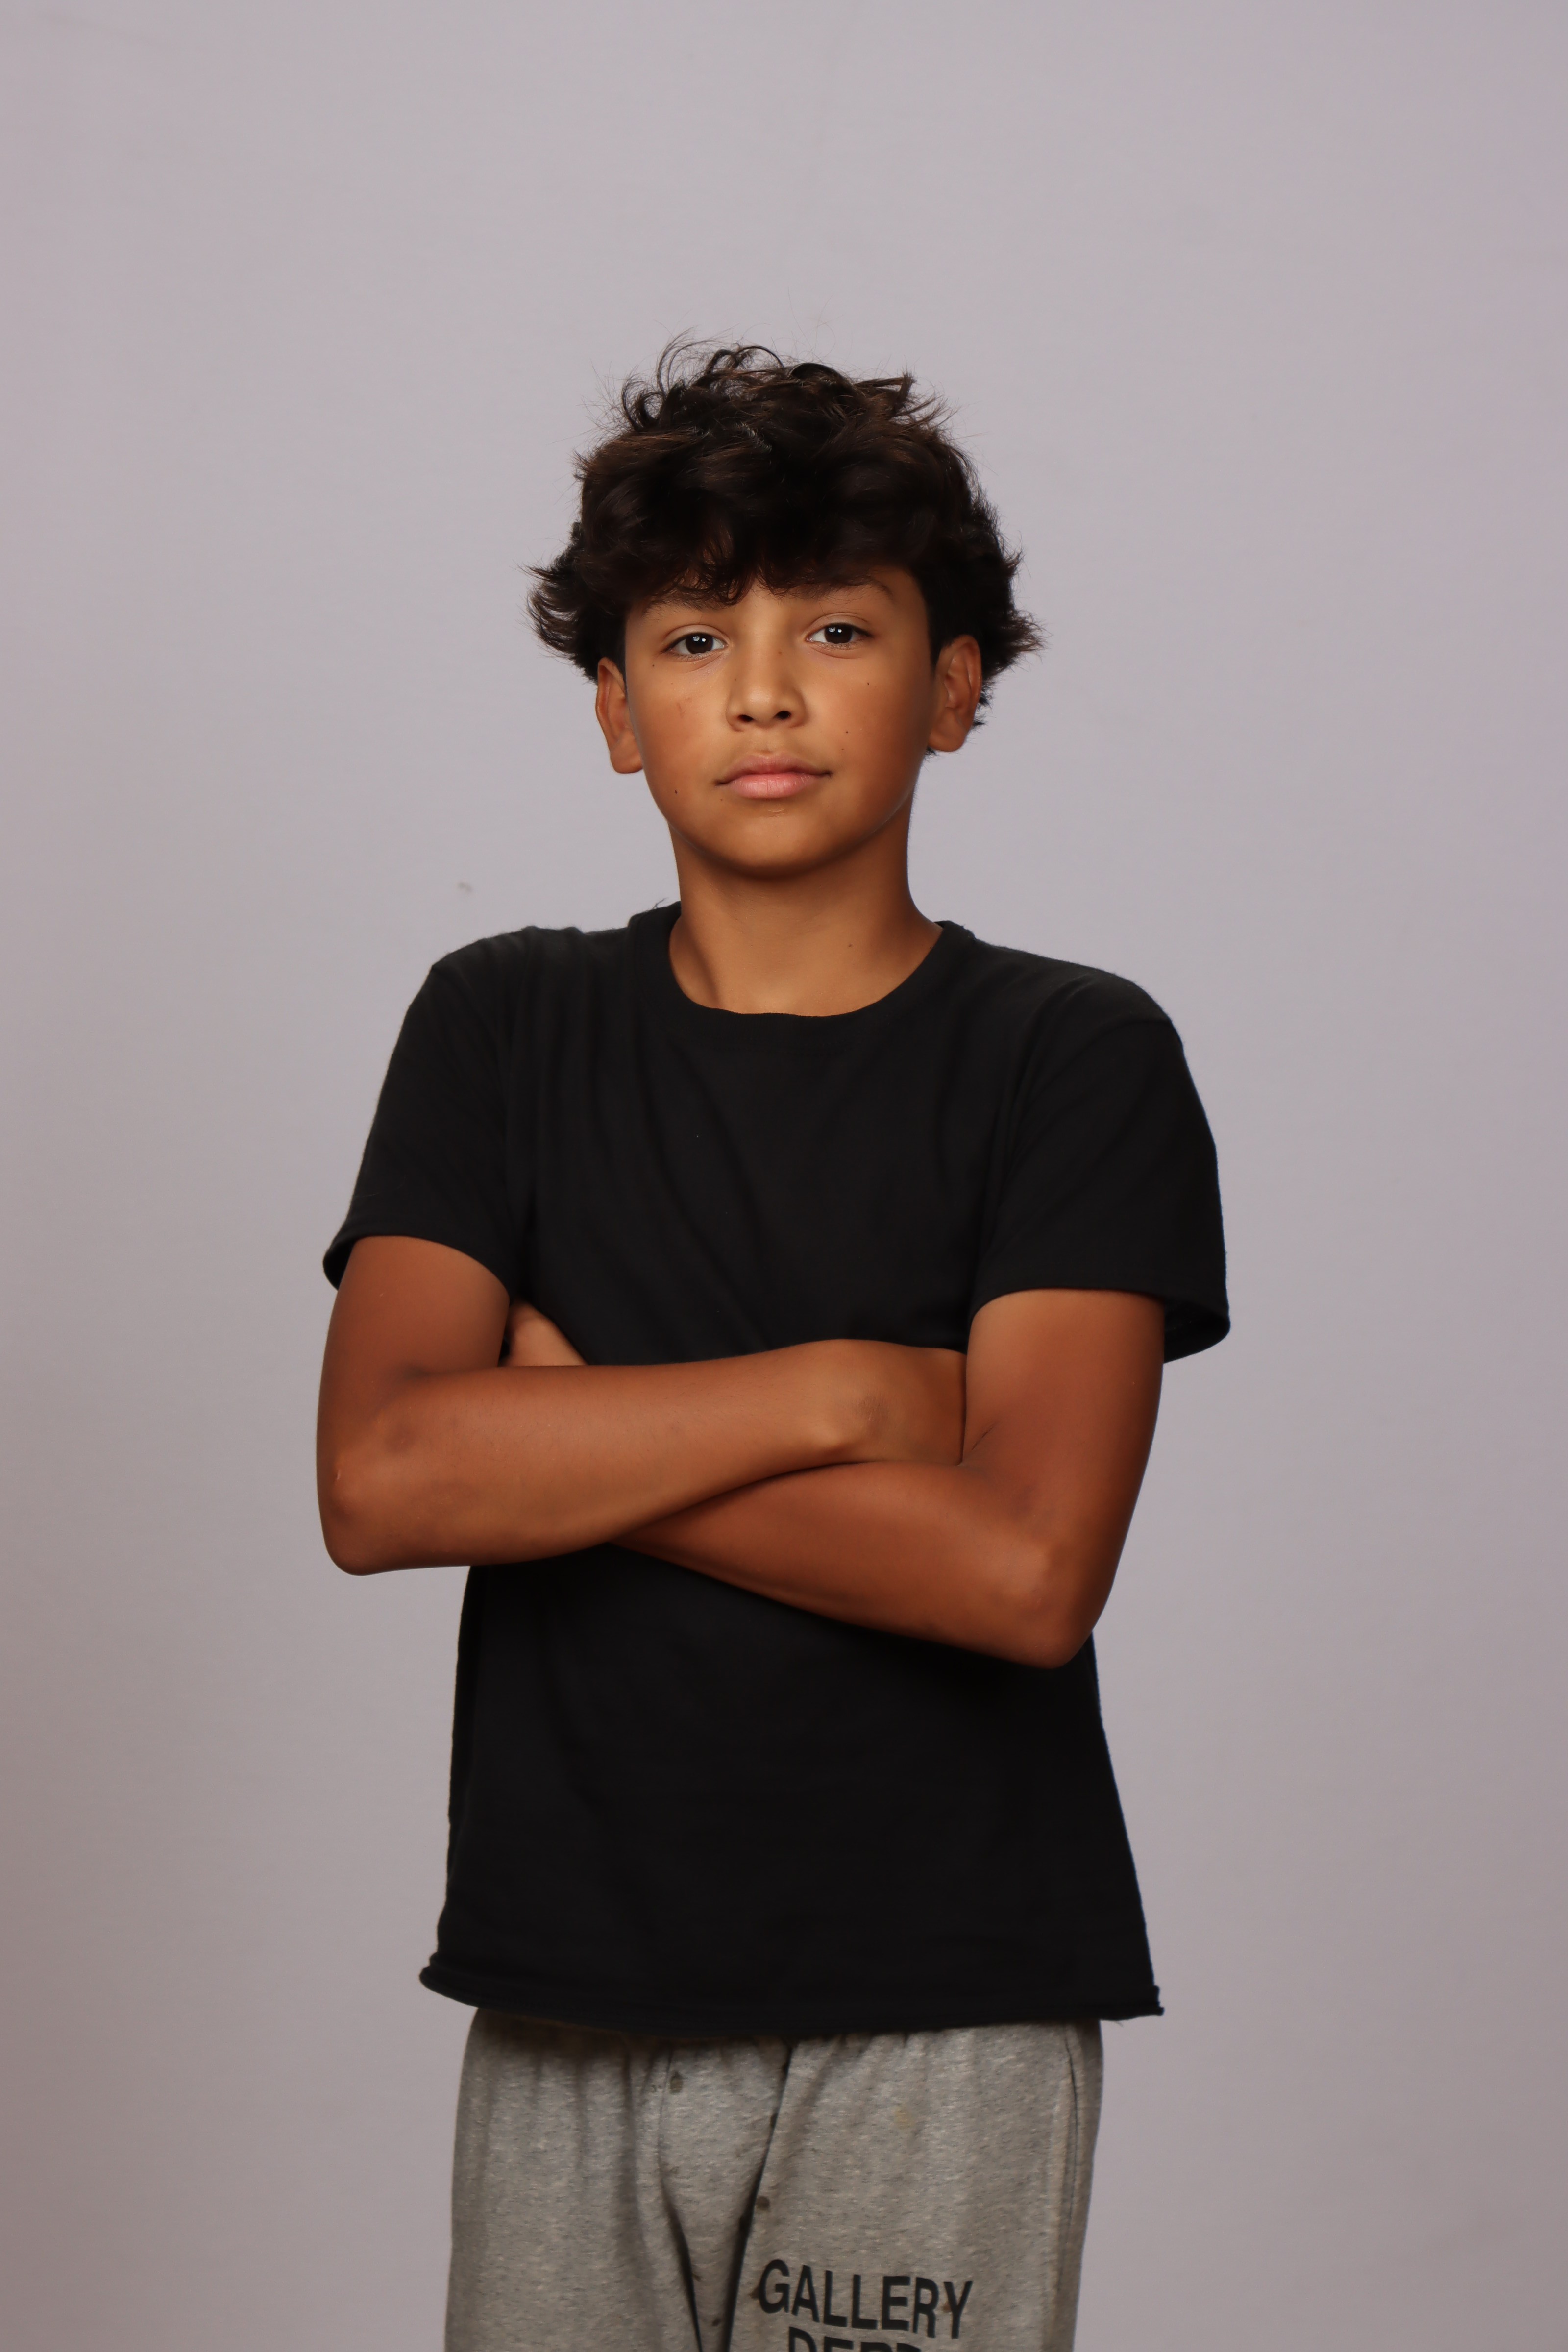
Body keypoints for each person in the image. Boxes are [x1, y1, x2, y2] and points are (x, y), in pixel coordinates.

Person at [317, 345, 1227, 2352]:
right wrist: (845, 1400)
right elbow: (381, 1482)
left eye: (834, 627)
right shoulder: (503, 1027)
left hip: (947, 2001)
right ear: (613, 711)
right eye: (690, 636)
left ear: (955, 686)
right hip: (567, 1985)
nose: (760, 691)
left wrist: (560, 1440)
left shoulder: (1068, 1058)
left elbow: (1021, 1575)